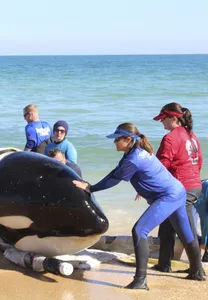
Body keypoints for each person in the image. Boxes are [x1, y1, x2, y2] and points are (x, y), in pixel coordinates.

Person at [72, 123, 205, 290]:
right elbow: (115, 172)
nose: (114, 142)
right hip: (178, 191)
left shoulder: (134, 158)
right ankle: (197, 271)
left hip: (169, 196)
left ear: (128, 139)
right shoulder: (136, 152)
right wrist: (91, 186)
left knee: (139, 230)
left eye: (117, 139)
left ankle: (140, 280)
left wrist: (90, 188)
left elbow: (113, 179)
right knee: (185, 232)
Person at [151, 103, 203, 273]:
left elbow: (161, 166)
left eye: (163, 119)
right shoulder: (191, 135)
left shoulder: (171, 138)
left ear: (173, 118)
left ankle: (197, 270)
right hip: (193, 185)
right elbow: (199, 161)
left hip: (181, 190)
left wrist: (149, 185)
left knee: (185, 229)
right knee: (166, 225)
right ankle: (164, 264)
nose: (161, 122)